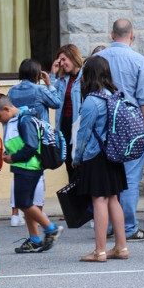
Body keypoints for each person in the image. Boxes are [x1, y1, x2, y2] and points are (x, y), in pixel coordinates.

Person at [94, 19, 144, 241]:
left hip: (102, 126)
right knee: (128, 179)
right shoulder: (138, 61)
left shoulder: (97, 60)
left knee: (107, 179)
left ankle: (107, 224)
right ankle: (128, 227)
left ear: (111, 34)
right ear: (132, 35)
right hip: (130, 125)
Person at [74, 56, 129, 261]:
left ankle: (100, 250)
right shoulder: (113, 95)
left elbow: (83, 134)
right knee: (114, 198)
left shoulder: (92, 100)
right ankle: (121, 247)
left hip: (96, 155)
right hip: (114, 154)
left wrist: (77, 157)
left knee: (99, 200)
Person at [0, 95, 64, 253]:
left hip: (28, 167)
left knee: (24, 203)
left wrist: (13, 157)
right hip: (24, 166)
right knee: (26, 203)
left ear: (6, 109)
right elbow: (20, 142)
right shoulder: (17, 120)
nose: (0, 121)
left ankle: (50, 228)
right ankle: (34, 239)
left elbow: (31, 146)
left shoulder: (24, 121)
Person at [9, 59, 59, 227]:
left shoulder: (12, 91)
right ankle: (36, 209)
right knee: (39, 176)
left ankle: (16, 214)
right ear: (37, 74)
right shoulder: (39, 89)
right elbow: (56, 103)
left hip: (17, 137)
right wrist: (50, 83)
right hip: (38, 138)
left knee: (18, 175)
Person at [51, 44, 84, 183]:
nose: (62, 64)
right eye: (60, 61)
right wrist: (52, 75)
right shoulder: (62, 80)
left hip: (79, 125)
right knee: (69, 165)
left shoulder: (84, 77)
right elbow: (52, 99)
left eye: (64, 60)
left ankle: (84, 201)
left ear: (73, 56)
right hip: (65, 126)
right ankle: (75, 202)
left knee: (80, 167)